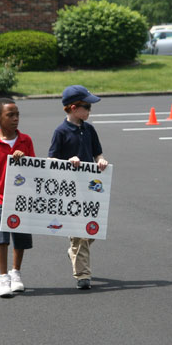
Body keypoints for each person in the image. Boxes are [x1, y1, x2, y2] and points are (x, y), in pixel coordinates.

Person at [48, 85, 109, 290]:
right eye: (87, 107)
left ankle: (75, 252)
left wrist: (101, 161)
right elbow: (52, 160)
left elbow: (98, 153)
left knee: (92, 229)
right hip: (70, 191)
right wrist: (68, 160)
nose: (90, 111)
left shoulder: (89, 129)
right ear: (74, 108)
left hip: (91, 188)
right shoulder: (61, 131)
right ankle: (83, 275)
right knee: (80, 233)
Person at [0, 97, 35, 298]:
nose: (15, 119)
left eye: (17, 114)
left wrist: (25, 159)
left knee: (20, 238)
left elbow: (35, 169)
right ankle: (3, 277)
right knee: (1, 239)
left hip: (21, 198)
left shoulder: (25, 140)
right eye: (10, 115)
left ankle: (16, 273)